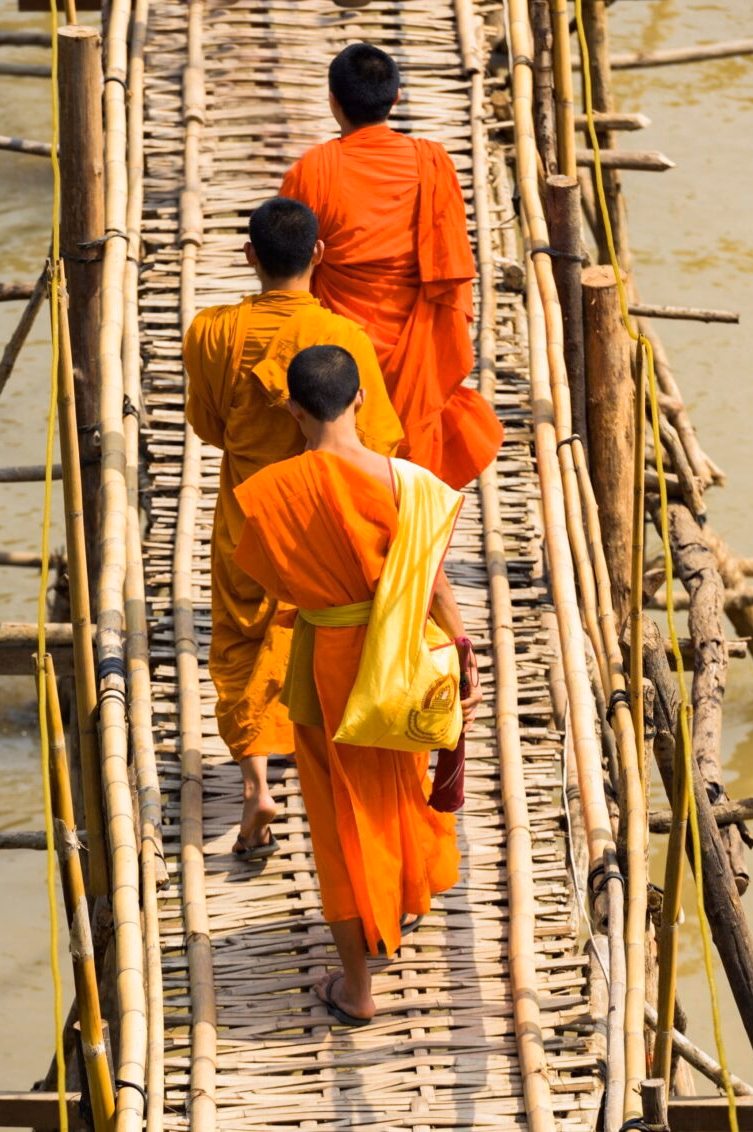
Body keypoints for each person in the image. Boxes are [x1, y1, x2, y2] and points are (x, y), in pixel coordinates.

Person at [233, 345, 482, 1025]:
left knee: (338, 815)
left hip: (331, 668)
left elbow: (272, 583)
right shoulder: (411, 483)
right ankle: (400, 902)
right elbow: (433, 583)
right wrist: (461, 651)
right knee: (397, 784)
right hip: (405, 658)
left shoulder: (267, 494)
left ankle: (358, 987)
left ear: (290, 409)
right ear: (362, 400)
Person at [183, 197, 403, 860]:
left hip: (248, 511)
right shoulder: (348, 340)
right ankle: (324, 774)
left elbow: (206, 425)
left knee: (241, 643)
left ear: (249, 256)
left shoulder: (211, 332)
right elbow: (381, 442)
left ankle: (256, 783)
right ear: (319, 255)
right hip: (324, 519)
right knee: (313, 640)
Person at [280, 43, 503, 490]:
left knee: (341, 479)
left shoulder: (314, 170)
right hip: (418, 346)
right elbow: (452, 266)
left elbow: (289, 269)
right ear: (396, 98)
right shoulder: (432, 163)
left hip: (338, 360)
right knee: (413, 478)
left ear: (333, 101)